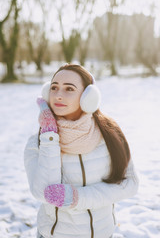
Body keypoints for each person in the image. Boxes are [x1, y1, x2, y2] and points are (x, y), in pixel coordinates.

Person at [24, 64, 139, 238]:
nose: (58, 95)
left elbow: (130, 184)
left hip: (103, 233)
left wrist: (76, 197)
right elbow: (43, 192)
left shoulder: (109, 134)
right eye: (54, 88)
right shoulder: (39, 141)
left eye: (69, 88)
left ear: (88, 96)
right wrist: (50, 136)